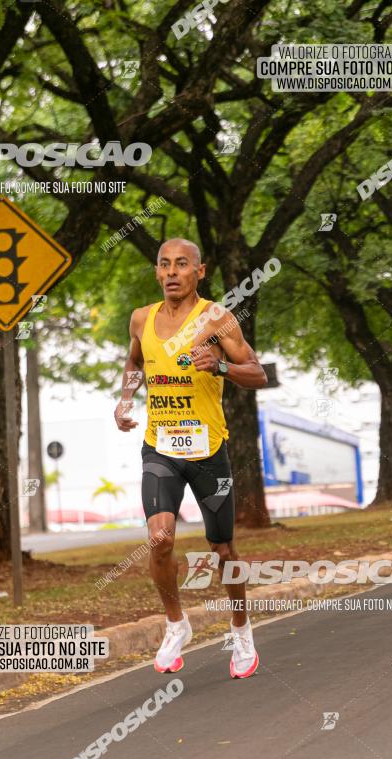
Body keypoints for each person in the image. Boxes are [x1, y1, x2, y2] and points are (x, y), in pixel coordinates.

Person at [114, 238, 268, 678]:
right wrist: (126, 399)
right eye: (165, 265)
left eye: (182, 265)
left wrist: (220, 367)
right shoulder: (141, 318)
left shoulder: (216, 319)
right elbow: (134, 361)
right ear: (158, 272)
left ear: (199, 272)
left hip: (207, 450)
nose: (172, 272)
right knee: (160, 538)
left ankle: (241, 630)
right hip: (160, 446)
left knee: (221, 547)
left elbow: (257, 373)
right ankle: (176, 624)